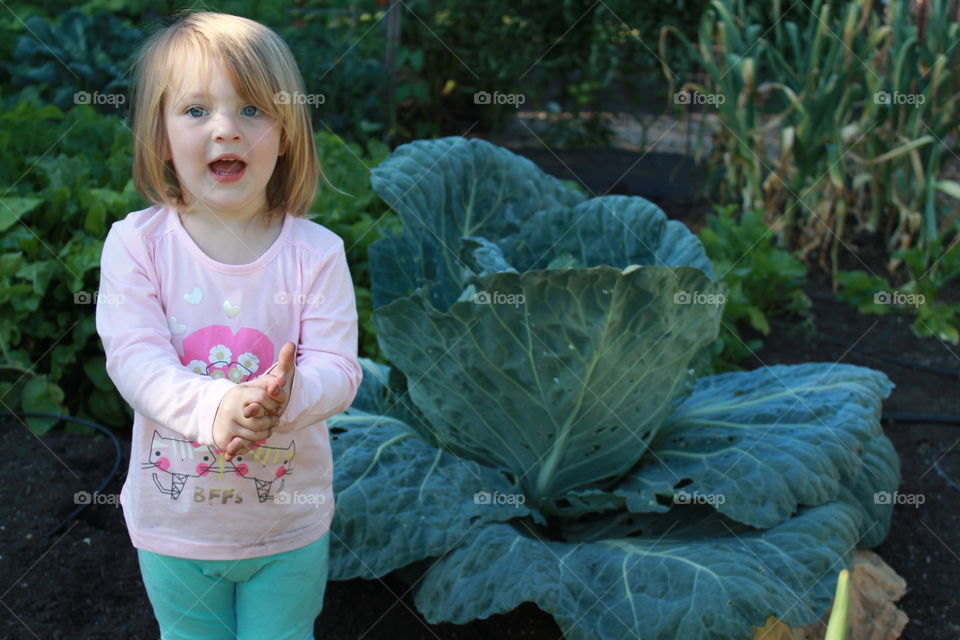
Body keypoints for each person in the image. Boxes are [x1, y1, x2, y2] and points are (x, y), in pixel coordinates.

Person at [94, 10, 362, 640]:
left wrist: (279, 399)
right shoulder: (136, 246)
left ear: (288, 132)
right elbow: (135, 359)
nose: (225, 130)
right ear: (159, 134)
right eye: (195, 111)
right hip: (178, 526)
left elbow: (339, 369)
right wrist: (219, 406)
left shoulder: (316, 253)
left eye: (252, 110)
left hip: (287, 528)